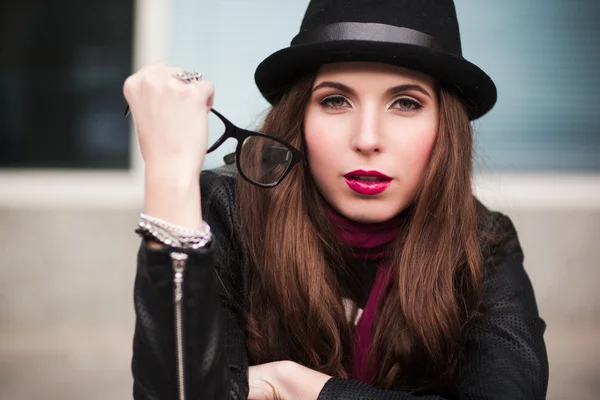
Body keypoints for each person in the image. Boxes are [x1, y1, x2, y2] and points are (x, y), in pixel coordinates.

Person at [124, 0, 549, 399]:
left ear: (445, 127)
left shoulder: (482, 243)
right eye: (335, 100)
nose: (367, 140)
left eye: (405, 103)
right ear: (299, 119)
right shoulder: (227, 212)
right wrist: (169, 176)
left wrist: (299, 386)